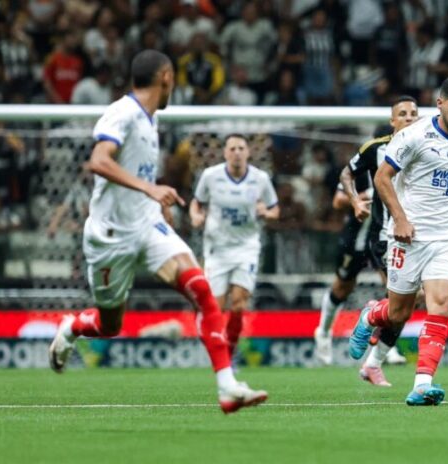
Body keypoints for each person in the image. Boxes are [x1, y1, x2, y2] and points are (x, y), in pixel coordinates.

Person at [48, 50, 267, 414]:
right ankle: (72, 328)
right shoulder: (123, 112)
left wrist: (156, 198)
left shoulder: (151, 120)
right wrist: (149, 189)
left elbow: (137, 173)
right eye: (173, 78)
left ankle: (228, 387)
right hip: (110, 236)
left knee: (202, 290)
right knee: (109, 324)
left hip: (148, 226)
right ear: (165, 76)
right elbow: (99, 161)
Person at [347, 76, 448, 405]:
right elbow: (382, 178)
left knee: (441, 302)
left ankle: (422, 384)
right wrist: (400, 219)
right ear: (440, 103)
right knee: (398, 313)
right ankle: (371, 315)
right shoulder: (413, 136)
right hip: (410, 238)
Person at [313, 96, 419, 379]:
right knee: (343, 287)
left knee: (403, 296)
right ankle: (324, 332)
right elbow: (338, 197)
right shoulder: (372, 156)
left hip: (400, 236)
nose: (409, 118)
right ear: (392, 122)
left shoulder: (425, 148)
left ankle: (379, 348)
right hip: (362, 235)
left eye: (413, 114)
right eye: (403, 114)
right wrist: (359, 200)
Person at [189, 134, 280, 362]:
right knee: (215, 309)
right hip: (217, 248)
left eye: (241, 148)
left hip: (246, 247)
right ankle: (216, 344)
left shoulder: (260, 178)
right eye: (232, 149)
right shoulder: (210, 176)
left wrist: (266, 213)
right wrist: (195, 216)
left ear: (248, 152)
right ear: (225, 153)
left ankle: (228, 354)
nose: (237, 153)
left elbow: (275, 209)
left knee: (238, 304)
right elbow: (196, 202)